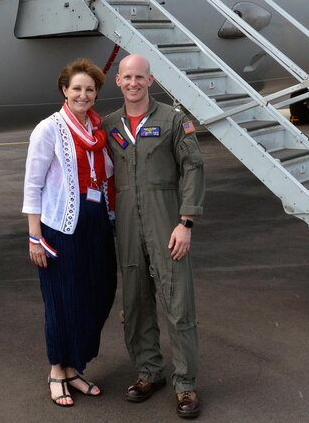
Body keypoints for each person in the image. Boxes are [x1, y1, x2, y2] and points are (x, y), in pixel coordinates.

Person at [105, 54, 205, 419]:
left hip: (167, 225)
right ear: (118, 81)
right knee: (135, 304)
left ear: (151, 80)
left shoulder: (173, 121)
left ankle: (185, 384)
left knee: (178, 305)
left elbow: (193, 167)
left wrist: (186, 221)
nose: (133, 83)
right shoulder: (109, 125)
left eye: (140, 77)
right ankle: (149, 373)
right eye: (127, 77)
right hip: (128, 226)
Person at [22, 58, 118, 408]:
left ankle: (76, 365)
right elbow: (33, 186)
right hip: (60, 224)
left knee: (100, 293)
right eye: (76, 88)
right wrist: (35, 236)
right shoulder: (49, 129)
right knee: (62, 300)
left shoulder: (98, 130)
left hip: (96, 221)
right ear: (64, 90)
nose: (83, 94)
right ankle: (56, 371)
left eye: (89, 89)